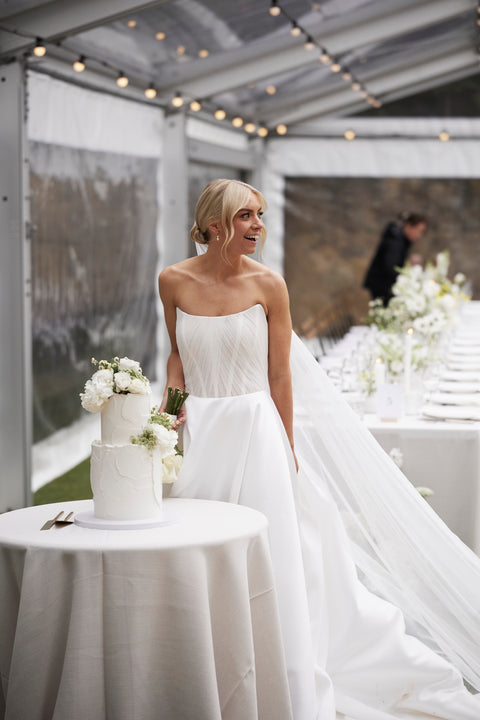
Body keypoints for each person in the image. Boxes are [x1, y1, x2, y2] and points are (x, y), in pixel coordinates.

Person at [158, 179, 480, 719]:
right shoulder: (172, 280)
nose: (259, 226)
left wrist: (286, 448)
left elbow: (280, 376)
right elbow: (176, 354)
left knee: (272, 555)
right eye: (246, 217)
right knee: (199, 548)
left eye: (260, 215)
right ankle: (204, 660)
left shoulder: (270, 285)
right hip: (200, 434)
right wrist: (171, 411)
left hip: (256, 431)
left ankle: (277, 668)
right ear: (214, 224)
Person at [363, 212, 427, 305]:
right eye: (419, 231)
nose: (419, 235)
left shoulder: (400, 237)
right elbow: (390, 266)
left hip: (382, 283)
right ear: (409, 226)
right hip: (382, 285)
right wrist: (405, 276)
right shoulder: (395, 240)